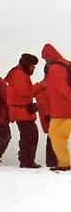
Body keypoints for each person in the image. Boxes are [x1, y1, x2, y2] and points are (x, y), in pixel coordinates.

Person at [4, 53, 43, 168]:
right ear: (27, 64)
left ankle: (25, 159)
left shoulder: (18, 73)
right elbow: (26, 92)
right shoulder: (19, 75)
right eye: (33, 66)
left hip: (20, 111)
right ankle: (27, 160)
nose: (33, 68)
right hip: (21, 112)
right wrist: (41, 85)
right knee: (30, 135)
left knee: (27, 135)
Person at [41, 43, 71, 171]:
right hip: (63, 109)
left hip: (62, 110)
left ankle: (64, 163)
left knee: (56, 135)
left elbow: (62, 89)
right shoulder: (66, 64)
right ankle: (63, 162)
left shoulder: (54, 69)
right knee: (58, 135)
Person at [35, 64, 56, 168]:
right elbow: (41, 99)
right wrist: (47, 113)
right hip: (51, 114)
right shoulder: (47, 84)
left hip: (52, 114)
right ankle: (52, 161)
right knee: (53, 137)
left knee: (53, 136)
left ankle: (52, 161)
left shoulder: (46, 83)